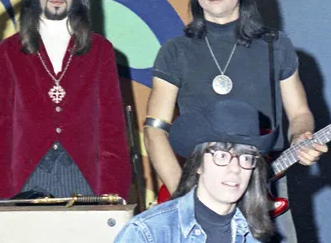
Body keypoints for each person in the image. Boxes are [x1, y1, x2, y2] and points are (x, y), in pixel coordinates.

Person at [144, 0, 327, 241]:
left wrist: (300, 137)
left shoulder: (275, 45)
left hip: (264, 181)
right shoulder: (175, 51)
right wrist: (184, 197)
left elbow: (300, 113)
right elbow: (155, 130)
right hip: (199, 182)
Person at [0, 0, 131, 199]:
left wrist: (112, 192)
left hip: (85, 179)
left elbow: (111, 127)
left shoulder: (100, 50)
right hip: (26, 180)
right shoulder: (7, 51)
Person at [115, 99, 277, 243]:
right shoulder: (148, 233)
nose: (235, 168)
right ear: (198, 163)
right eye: (221, 155)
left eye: (246, 158)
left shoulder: (254, 237)